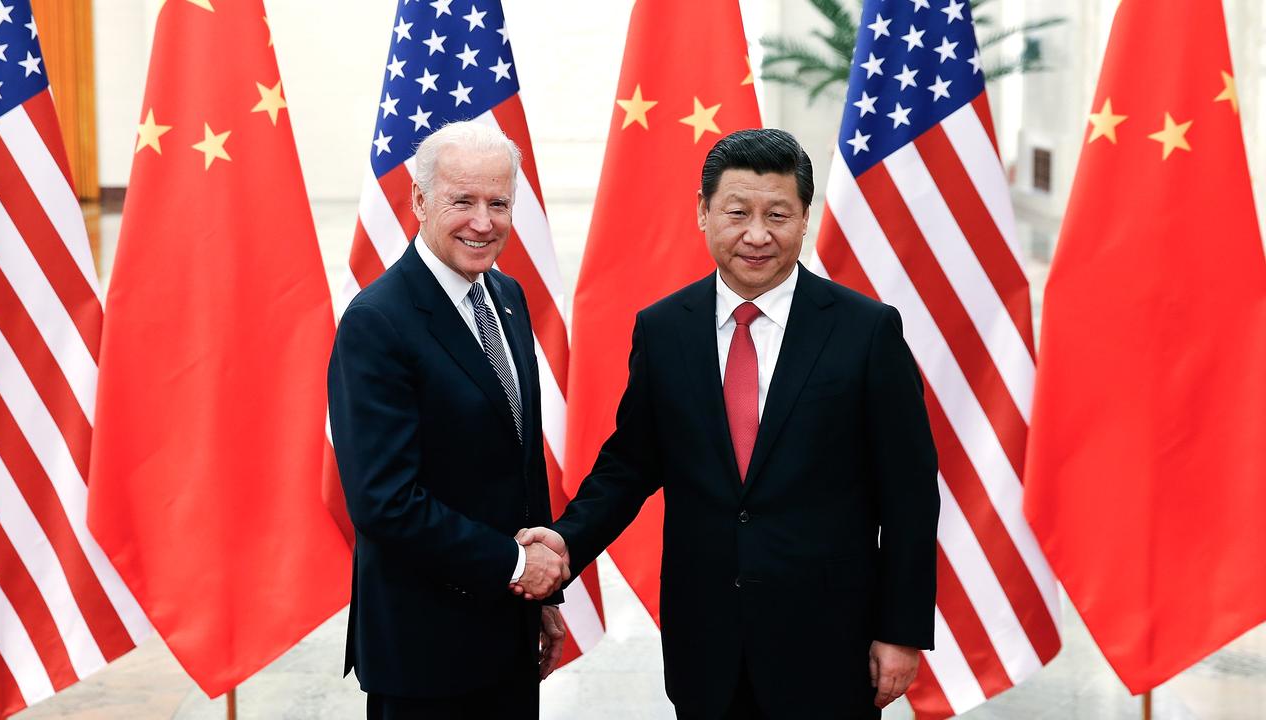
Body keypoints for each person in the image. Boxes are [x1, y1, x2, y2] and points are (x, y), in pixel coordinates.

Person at [517, 128, 940, 718]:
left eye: (778, 214)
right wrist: (565, 540)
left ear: (804, 217)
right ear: (703, 212)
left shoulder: (866, 332)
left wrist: (901, 630)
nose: (757, 235)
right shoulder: (664, 329)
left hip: (829, 644)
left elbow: (909, 495)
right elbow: (630, 464)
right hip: (706, 643)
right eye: (737, 213)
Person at [328, 121, 568, 720]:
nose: (483, 222)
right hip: (425, 653)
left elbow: (519, 459)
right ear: (419, 201)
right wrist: (517, 565)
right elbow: (385, 501)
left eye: (499, 203)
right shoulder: (377, 322)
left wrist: (541, 594)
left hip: (507, 635)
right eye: (462, 200)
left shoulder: (507, 297)